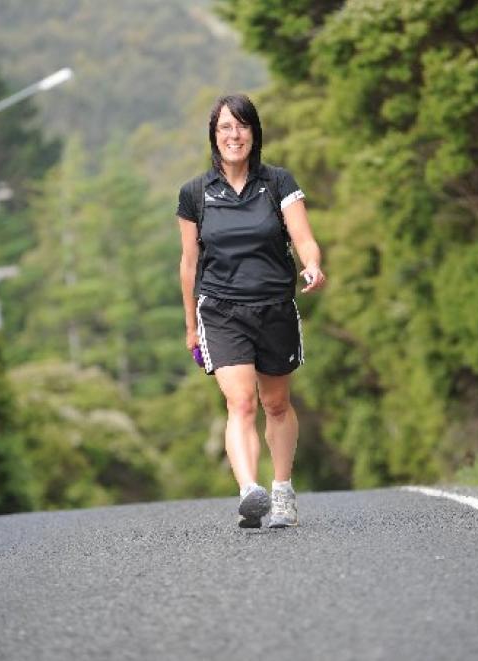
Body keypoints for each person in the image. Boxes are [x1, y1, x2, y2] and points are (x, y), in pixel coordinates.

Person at [177, 94, 325, 529]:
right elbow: (188, 265)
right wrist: (191, 325)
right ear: (214, 136)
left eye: (241, 125)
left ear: (254, 132)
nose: (233, 135)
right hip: (220, 310)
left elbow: (303, 237)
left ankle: (282, 491)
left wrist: (312, 264)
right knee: (240, 402)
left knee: (275, 403)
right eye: (225, 127)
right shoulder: (195, 194)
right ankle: (249, 491)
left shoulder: (277, 182)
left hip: (274, 306)